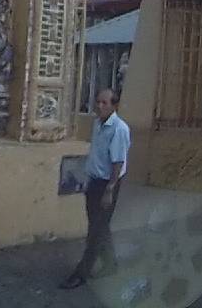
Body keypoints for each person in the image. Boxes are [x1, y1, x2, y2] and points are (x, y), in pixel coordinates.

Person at [60, 88, 131, 290]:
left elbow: (118, 162)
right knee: (98, 226)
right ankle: (110, 263)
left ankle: (80, 273)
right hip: (94, 180)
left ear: (114, 106)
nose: (99, 106)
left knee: (95, 232)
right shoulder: (98, 124)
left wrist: (110, 189)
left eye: (104, 103)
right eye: (98, 102)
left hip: (108, 183)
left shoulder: (119, 129)